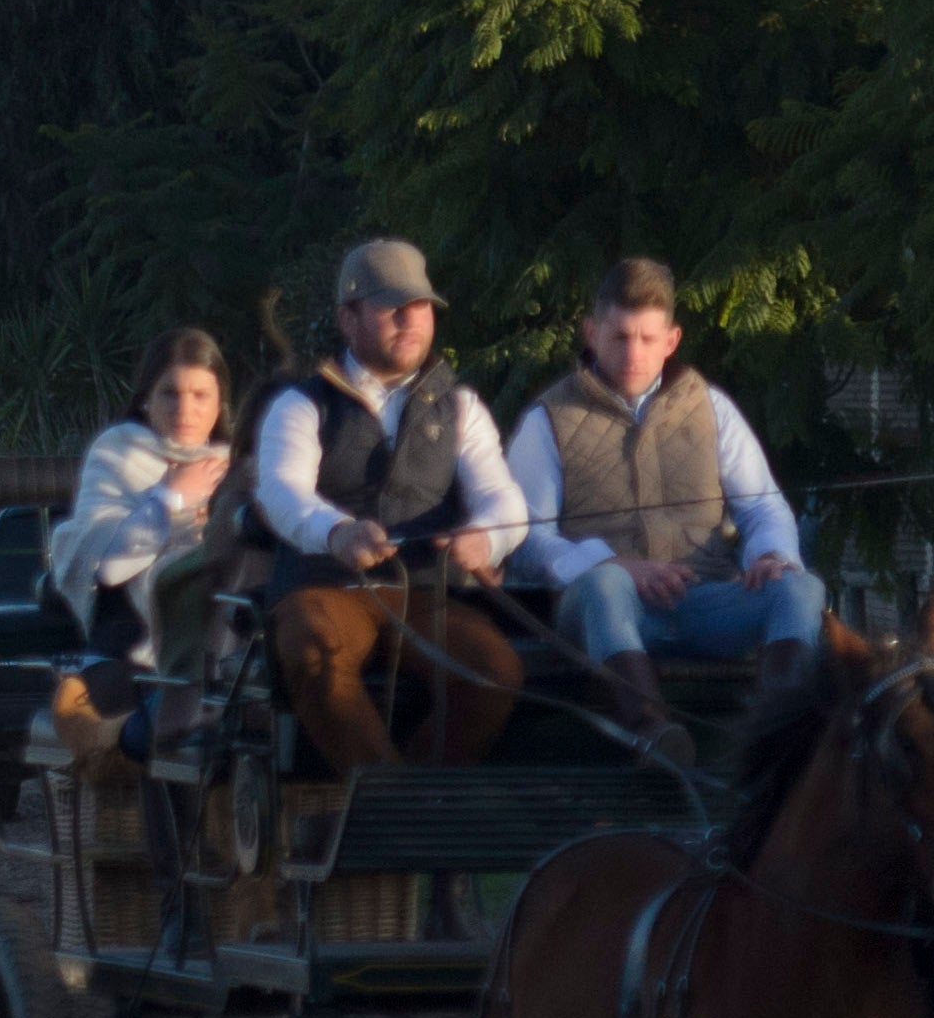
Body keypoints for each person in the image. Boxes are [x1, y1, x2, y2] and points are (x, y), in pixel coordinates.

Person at [508, 257, 817, 766]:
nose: (633, 352)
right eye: (619, 337)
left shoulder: (713, 409)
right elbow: (524, 538)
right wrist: (610, 564)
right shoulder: (548, 419)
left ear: (671, 340)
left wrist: (770, 555)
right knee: (604, 586)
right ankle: (654, 731)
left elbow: (764, 508)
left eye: (648, 339)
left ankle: (780, 735)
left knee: (801, 589)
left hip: (705, 601)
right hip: (603, 612)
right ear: (591, 333)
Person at [253, 237, 528, 774]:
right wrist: (337, 532)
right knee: (314, 647)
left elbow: (503, 497)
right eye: (391, 307)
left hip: (424, 594)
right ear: (347, 318)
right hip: (322, 588)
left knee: (496, 669)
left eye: (421, 306)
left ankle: (410, 809)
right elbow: (282, 492)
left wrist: (488, 537)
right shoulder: (300, 403)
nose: (411, 319)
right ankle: (390, 802)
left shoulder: (463, 407)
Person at [39, 329, 241, 768]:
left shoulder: (237, 467)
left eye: (200, 395)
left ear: (219, 400)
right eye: (170, 393)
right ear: (147, 397)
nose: (185, 409)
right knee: (173, 715)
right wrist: (171, 499)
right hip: (130, 660)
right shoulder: (118, 453)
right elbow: (108, 567)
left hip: (220, 655)